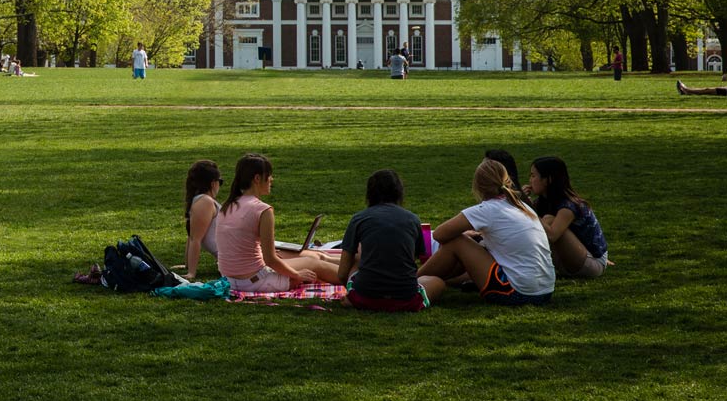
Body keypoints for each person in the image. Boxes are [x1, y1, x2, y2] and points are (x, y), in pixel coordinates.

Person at [416, 159, 555, 305]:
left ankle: (412, 283)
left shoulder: (487, 209)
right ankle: (429, 281)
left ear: (478, 186)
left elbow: (439, 234)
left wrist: (465, 235)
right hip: (544, 291)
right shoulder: (521, 206)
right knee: (473, 242)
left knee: (458, 241)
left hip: (518, 293)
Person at [213, 153, 341, 290]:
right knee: (315, 263)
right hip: (254, 280)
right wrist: (297, 274)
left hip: (231, 280)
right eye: (268, 175)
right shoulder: (262, 210)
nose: (271, 179)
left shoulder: (227, 206)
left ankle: (356, 264)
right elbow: (270, 260)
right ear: (257, 178)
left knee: (307, 255)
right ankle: (357, 280)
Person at [336, 169, 429, 311]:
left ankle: (357, 299)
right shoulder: (412, 219)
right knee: (438, 282)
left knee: (357, 258)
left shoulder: (359, 219)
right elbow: (416, 258)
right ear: (399, 192)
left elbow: (342, 274)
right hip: (406, 298)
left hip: (365, 297)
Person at [526, 156, 609, 279]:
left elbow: (552, 236)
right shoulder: (544, 202)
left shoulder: (568, 206)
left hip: (592, 265)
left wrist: (527, 208)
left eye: (533, 176)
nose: (530, 180)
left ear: (548, 180)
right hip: (569, 262)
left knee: (549, 220)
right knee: (542, 220)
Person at [183, 159, 223, 281]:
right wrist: (191, 272)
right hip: (237, 256)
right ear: (213, 183)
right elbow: (195, 239)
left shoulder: (199, 201)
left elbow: (192, 236)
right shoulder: (205, 202)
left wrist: (188, 266)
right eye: (220, 182)